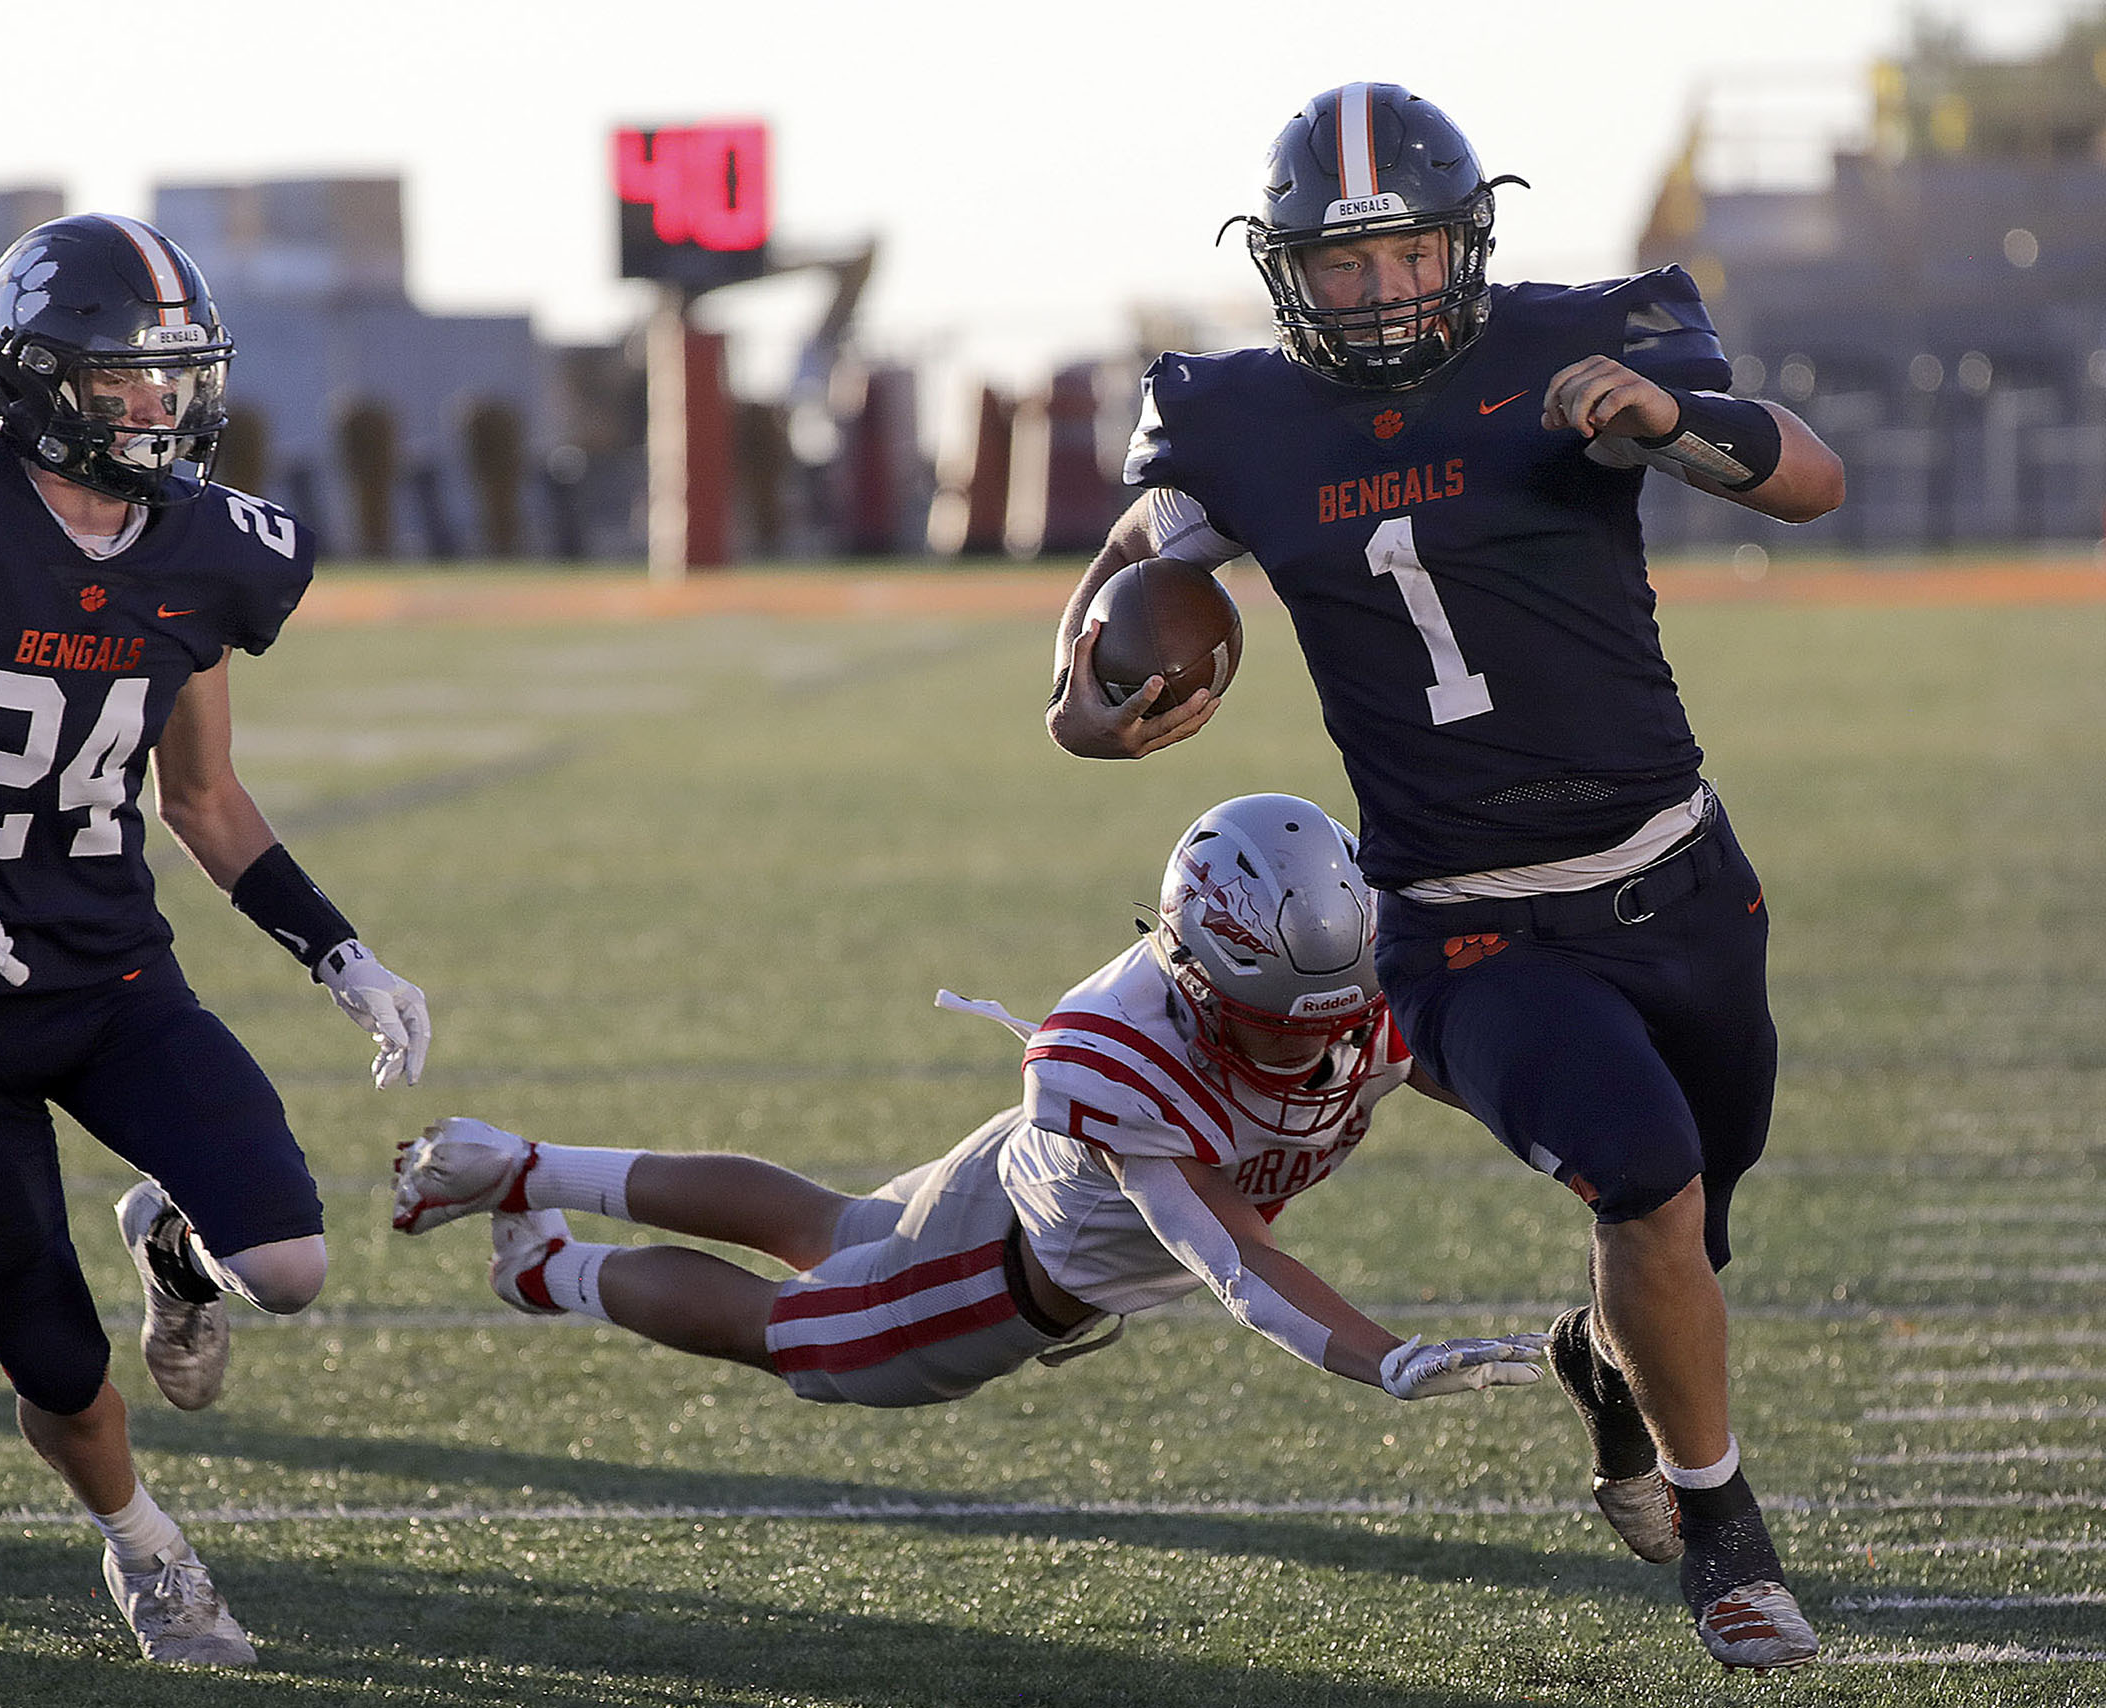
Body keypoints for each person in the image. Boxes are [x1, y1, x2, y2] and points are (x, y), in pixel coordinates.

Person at [1044, 84, 1844, 1671]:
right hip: (1465, 924)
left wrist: (1673, 428)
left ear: (1465, 243)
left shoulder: (1586, 338)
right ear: (1285, 274)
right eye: (1343, 268)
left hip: (1678, 878)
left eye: (1408, 254)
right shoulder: (1239, 417)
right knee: (1643, 1173)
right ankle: (1726, 1534)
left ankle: (1611, 1373)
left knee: (1690, 1223)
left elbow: (1812, 481)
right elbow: (1113, 603)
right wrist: (1091, 706)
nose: (1383, 292)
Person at [0, 213, 432, 1668]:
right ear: (42, 378)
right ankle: (150, 1558)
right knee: (57, 1369)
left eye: (181, 376)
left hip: (113, 972)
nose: (165, 407)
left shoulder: (209, 553)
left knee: (294, 1266)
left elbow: (203, 797)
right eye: (131, 378)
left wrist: (336, 950)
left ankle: (175, 1252)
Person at [391, 795, 1545, 1424]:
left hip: (1023, 1180)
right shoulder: (1125, 1058)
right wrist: (1392, 1359)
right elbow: (1232, 1260)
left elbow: (1456, 1059)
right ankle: (538, 1271)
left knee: (837, 1227)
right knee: (786, 1332)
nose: (1320, 1050)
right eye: (1280, 1026)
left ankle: (519, 1164)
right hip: (1003, 1278)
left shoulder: (1351, 980)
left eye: (1335, 1019)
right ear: (1191, 975)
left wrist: (1580, 1133)